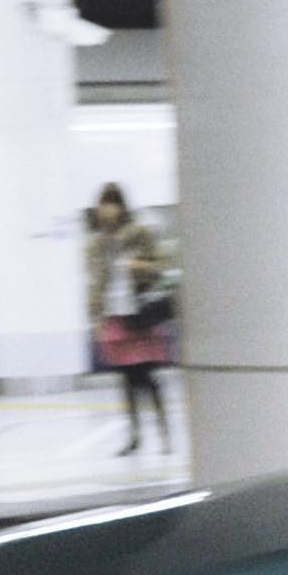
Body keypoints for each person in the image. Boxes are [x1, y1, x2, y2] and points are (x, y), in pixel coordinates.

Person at [84, 182, 175, 457]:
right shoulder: (97, 243)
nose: (107, 210)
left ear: (121, 207)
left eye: (111, 204)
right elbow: (94, 283)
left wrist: (138, 266)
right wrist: (95, 317)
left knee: (147, 377)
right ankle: (134, 437)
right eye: (103, 204)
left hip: (139, 315)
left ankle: (164, 433)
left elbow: (159, 268)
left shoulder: (139, 233)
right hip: (115, 317)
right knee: (126, 380)